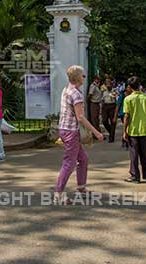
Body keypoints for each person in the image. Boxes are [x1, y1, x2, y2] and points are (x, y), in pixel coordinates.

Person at [54, 65, 104, 204]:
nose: (84, 77)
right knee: (69, 163)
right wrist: (96, 132)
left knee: (83, 159)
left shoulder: (66, 90)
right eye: (83, 75)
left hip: (64, 129)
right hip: (71, 132)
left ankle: (81, 187)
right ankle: (58, 194)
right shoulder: (76, 94)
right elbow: (80, 117)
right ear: (77, 77)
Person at [122, 76, 146, 183]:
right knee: (145, 152)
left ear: (129, 87)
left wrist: (124, 131)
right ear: (139, 85)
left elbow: (126, 116)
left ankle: (135, 176)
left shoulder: (128, 99)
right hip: (145, 128)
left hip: (133, 130)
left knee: (134, 154)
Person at [101, 78, 117, 142]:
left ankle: (111, 137)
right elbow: (102, 99)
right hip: (105, 106)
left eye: (109, 83)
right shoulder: (103, 90)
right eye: (107, 83)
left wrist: (114, 94)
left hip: (112, 106)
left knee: (113, 122)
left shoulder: (114, 90)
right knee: (104, 121)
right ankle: (111, 132)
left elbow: (116, 98)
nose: (108, 84)